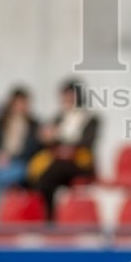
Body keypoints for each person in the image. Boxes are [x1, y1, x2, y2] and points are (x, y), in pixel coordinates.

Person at [26, 79, 99, 218]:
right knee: (43, 172)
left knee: (51, 172)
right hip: (58, 162)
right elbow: (48, 141)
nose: (67, 99)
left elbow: (87, 142)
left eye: (70, 95)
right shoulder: (58, 118)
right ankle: (46, 213)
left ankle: (49, 217)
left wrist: (68, 147)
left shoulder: (91, 119)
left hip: (79, 163)